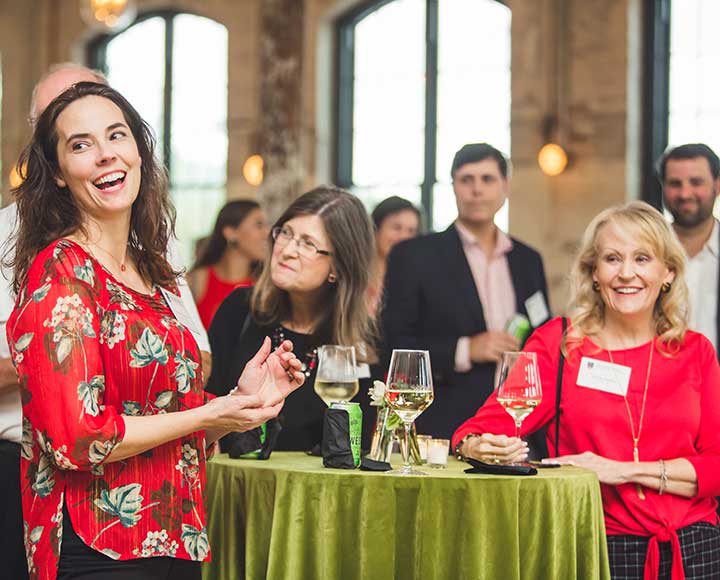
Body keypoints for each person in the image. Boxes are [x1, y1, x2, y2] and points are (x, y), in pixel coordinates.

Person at [8, 81, 304, 580]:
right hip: (97, 544)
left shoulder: (150, 272)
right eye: (80, 145)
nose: (105, 155)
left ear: (139, 152)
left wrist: (237, 403)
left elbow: (158, 409)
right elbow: (79, 439)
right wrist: (210, 412)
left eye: (116, 136)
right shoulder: (62, 273)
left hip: (174, 530)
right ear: (58, 174)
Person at [453, 201, 720, 579]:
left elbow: (716, 464)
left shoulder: (695, 352)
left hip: (694, 549)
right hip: (595, 546)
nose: (626, 273)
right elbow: (488, 423)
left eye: (642, 259)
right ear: (594, 273)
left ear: (668, 272)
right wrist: (473, 444)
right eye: (612, 259)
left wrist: (621, 471)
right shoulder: (560, 344)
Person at [382, 143, 550, 440]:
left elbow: (543, 338)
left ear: (505, 186)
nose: (476, 190)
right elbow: (395, 346)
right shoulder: (414, 255)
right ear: (454, 187)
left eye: (487, 179)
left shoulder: (528, 259)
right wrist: (466, 349)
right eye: (466, 179)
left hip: (519, 422)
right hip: (446, 422)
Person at [207, 186, 377, 452]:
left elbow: (358, 446)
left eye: (308, 244)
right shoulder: (239, 309)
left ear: (338, 267)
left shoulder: (362, 340)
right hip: (234, 486)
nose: (286, 250)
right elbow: (205, 412)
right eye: (285, 233)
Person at [658, 143, 720, 356]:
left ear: (717, 185)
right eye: (675, 183)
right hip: (658, 382)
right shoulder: (644, 252)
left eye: (696, 182)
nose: (685, 193)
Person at [188, 200, 269, 329]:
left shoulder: (264, 287)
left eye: (266, 225)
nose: (267, 233)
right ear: (231, 233)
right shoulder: (198, 280)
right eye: (259, 225)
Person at [367, 196, 421, 317]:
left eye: (411, 231)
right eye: (396, 228)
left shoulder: (418, 283)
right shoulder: (353, 275)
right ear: (375, 229)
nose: (404, 237)